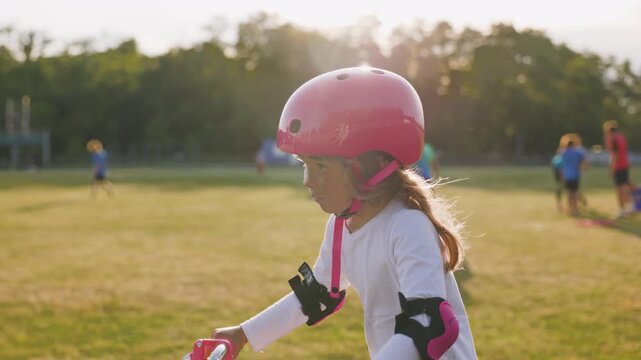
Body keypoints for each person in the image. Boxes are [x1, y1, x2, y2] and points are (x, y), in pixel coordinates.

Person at [211, 68, 476, 359]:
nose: (307, 180)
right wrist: (243, 334)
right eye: (304, 165)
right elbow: (320, 293)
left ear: (367, 167)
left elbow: (429, 325)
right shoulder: (341, 225)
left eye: (320, 166)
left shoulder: (407, 225)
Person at [603, 120, 634, 217]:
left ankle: (623, 208)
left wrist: (611, 169)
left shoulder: (614, 139)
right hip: (625, 165)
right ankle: (629, 207)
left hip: (618, 166)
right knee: (625, 185)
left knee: (620, 188)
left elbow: (615, 156)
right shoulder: (621, 137)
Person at [561, 140, 587, 216]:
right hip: (575, 175)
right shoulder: (577, 152)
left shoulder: (564, 153)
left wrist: (563, 175)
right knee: (575, 192)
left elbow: (562, 164)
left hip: (567, 175)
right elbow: (584, 159)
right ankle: (575, 209)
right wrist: (582, 168)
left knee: (569, 192)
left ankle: (570, 208)